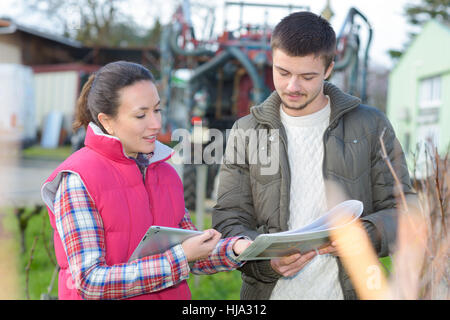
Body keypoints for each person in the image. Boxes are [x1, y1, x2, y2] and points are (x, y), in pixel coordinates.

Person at [212, 11, 418, 300]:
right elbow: (228, 219)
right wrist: (266, 262)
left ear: (329, 68)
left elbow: (404, 211)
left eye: (307, 76)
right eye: (282, 73)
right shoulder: (245, 131)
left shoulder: (371, 125)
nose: (292, 86)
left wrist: (362, 235)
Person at [41, 61, 251, 300]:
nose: (156, 124)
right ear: (107, 121)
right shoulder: (78, 181)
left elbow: (193, 249)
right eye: (141, 115)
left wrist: (237, 248)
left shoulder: (166, 173)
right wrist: (180, 257)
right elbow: (90, 281)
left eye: (157, 110)